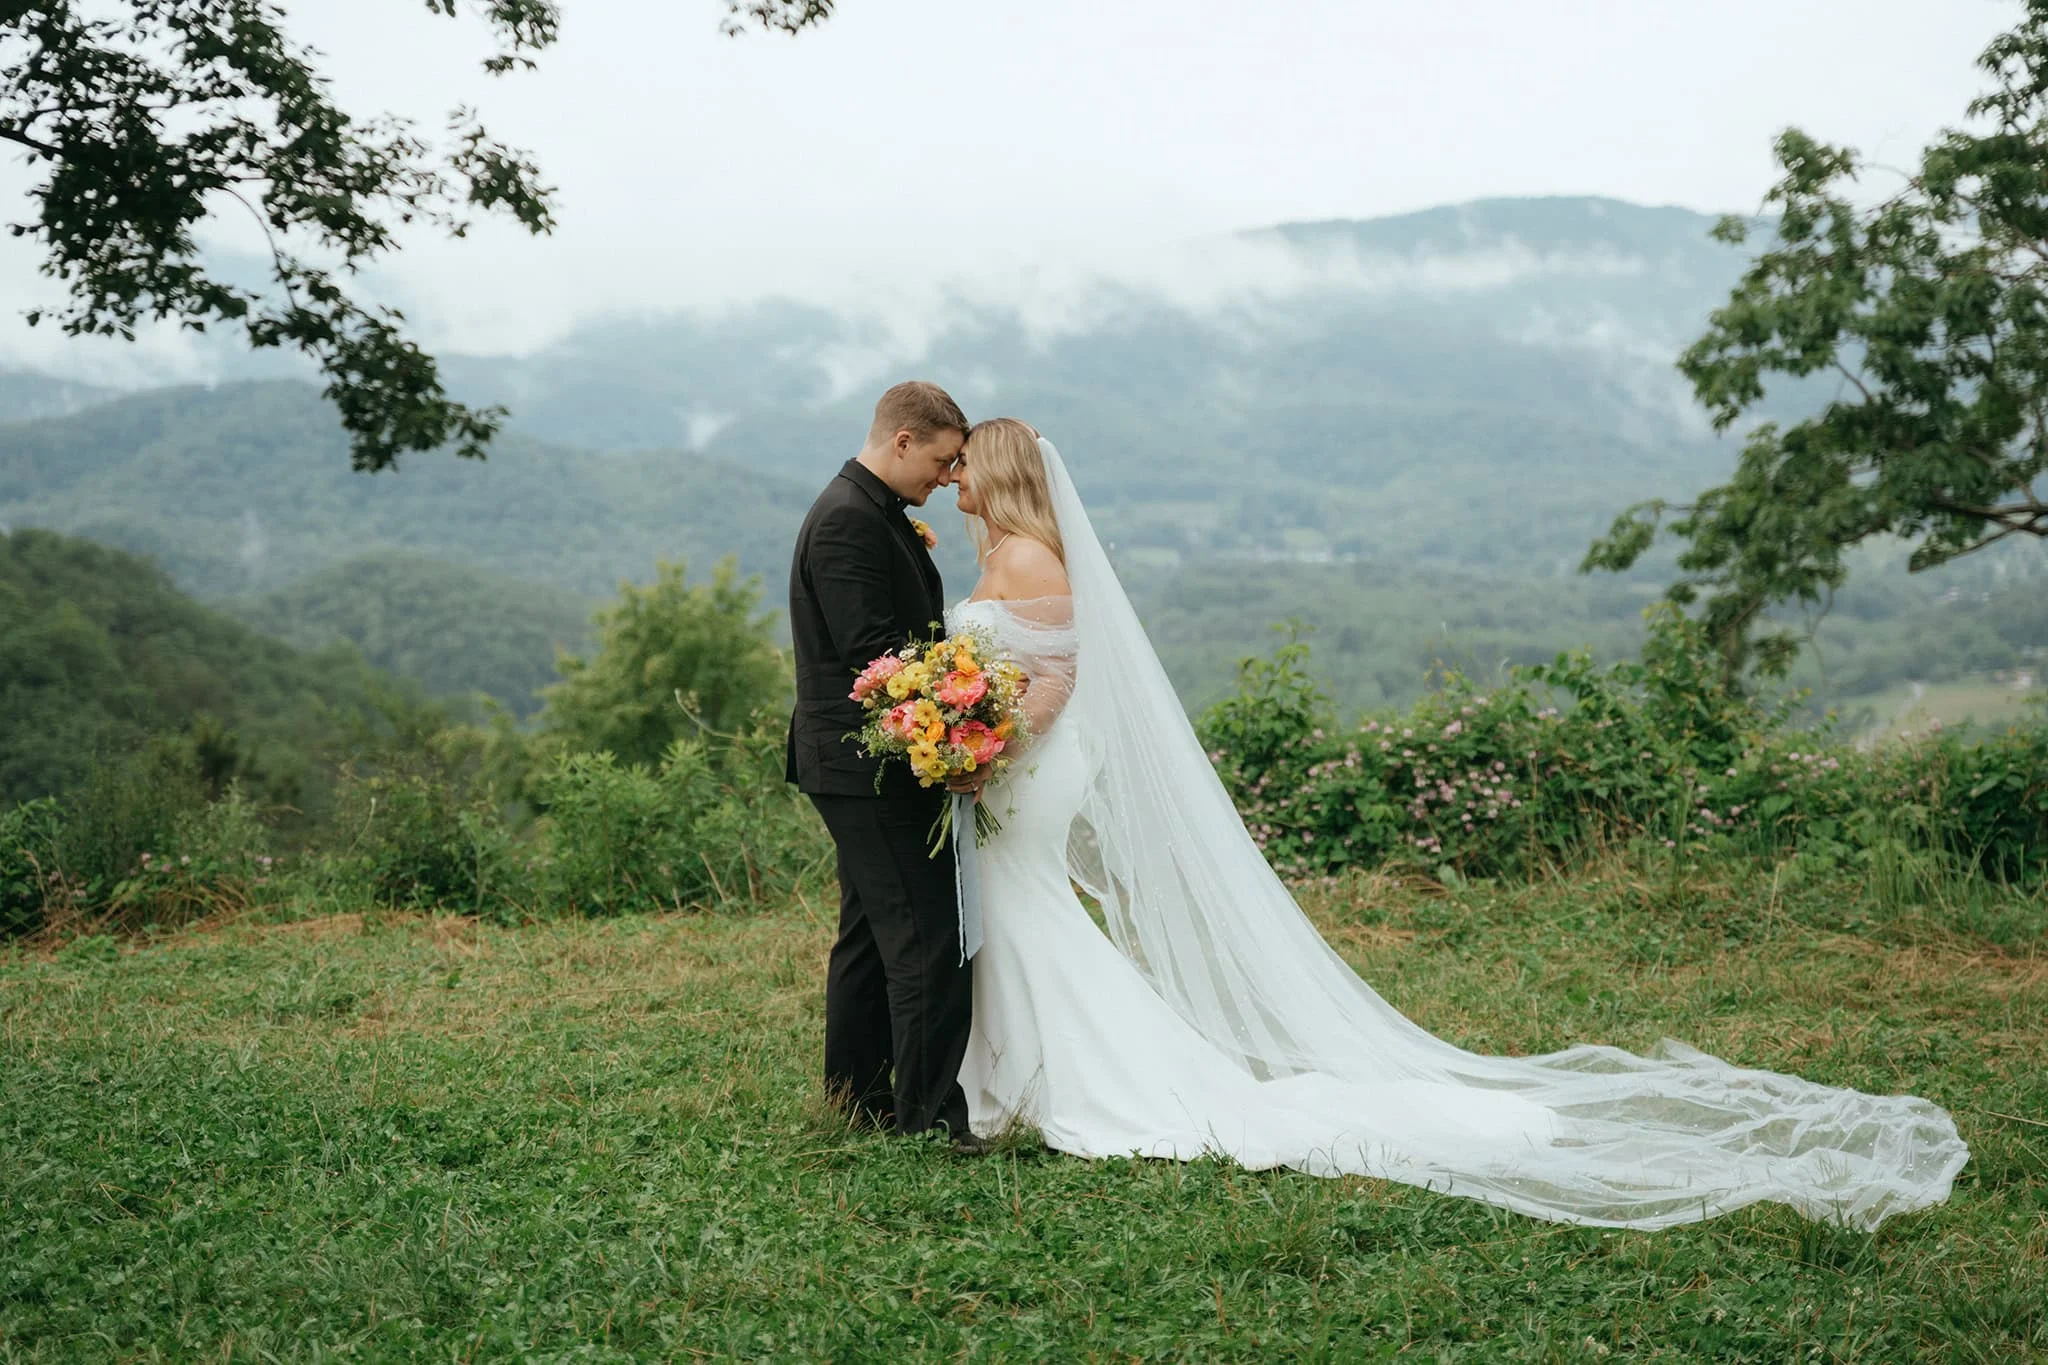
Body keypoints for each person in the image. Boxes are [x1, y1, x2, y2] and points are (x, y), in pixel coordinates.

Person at [942, 416, 1968, 1229]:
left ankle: (1054, 1082)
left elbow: (1061, 677)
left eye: (960, 471)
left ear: (992, 473)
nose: (951, 486)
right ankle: (1005, 1075)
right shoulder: (1013, 553)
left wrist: (985, 750)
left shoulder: (1030, 558)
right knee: (1015, 911)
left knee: (1022, 906)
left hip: (1027, 770)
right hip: (1007, 770)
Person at [784, 380, 984, 1148]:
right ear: (902, 440)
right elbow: (877, 662)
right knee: (925, 936)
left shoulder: (871, 513)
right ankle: (931, 1121)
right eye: (939, 461)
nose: (943, 478)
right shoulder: (845, 523)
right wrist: (955, 741)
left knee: (870, 934)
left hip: (864, 760)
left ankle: (858, 1099)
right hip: (865, 763)